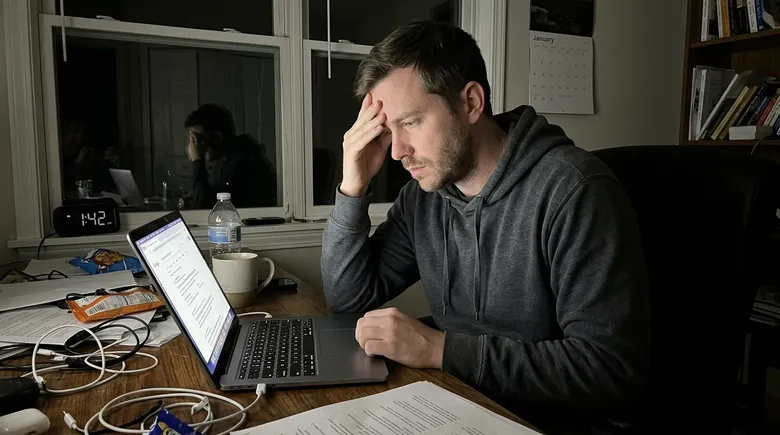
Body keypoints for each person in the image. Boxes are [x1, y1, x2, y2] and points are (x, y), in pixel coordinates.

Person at [320, 20, 651, 434]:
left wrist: (441, 349)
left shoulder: (575, 191)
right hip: (455, 402)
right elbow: (347, 301)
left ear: (472, 103)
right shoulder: (423, 198)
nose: (398, 152)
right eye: (389, 131)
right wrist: (353, 187)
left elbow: (609, 371)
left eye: (412, 122)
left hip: (547, 420)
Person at [185, 104, 277, 209]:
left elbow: (208, 207)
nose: (193, 146)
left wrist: (197, 161)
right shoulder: (224, 161)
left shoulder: (245, 164)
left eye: (197, 139)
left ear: (217, 137)